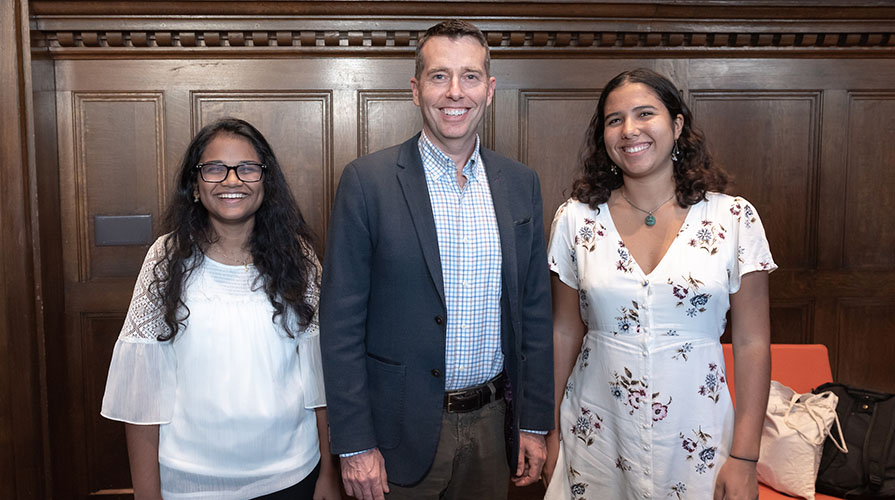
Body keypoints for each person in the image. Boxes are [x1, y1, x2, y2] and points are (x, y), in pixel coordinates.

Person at [319, 19, 554, 500]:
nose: (455, 92)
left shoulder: (519, 183)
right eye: (439, 75)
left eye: (469, 76)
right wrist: (354, 444)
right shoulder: (368, 182)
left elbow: (533, 312)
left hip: (493, 428)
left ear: (489, 90)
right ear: (415, 88)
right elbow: (339, 323)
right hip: (394, 433)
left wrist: (534, 422)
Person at [543, 68, 776, 500]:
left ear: (677, 124)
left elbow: (751, 342)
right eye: (615, 120)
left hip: (699, 440)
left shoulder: (734, 219)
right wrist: (551, 431)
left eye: (645, 113)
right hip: (596, 433)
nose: (629, 130)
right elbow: (563, 330)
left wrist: (745, 457)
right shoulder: (576, 220)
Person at [101, 117, 340, 500]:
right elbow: (141, 392)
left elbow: (321, 378)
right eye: (215, 168)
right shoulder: (165, 260)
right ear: (195, 185)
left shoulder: (299, 258)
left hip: (291, 475)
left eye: (247, 168)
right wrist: (147, 493)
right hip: (190, 482)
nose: (232, 180)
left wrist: (328, 472)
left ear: (266, 181)